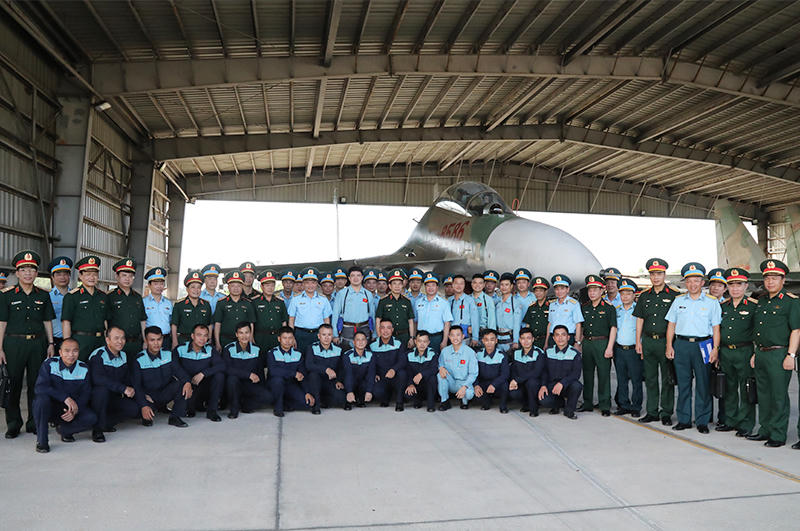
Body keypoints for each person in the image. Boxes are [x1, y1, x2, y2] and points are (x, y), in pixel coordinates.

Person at [0, 250, 56, 438]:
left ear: (36, 273)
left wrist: (50, 343)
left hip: (38, 344)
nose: (28, 273)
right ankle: (13, 423)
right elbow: (2, 323)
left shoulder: (43, 295)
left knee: (36, 384)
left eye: (31, 270)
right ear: (17, 273)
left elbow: (47, 321)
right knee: (13, 384)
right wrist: (0, 348)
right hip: (13, 344)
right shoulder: (6, 295)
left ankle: (34, 422)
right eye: (23, 269)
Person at [747, 260, 800, 448]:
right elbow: (759, 330)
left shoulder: (791, 301)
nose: (770, 281)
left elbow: (796, 330)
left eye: (775, 278)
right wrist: (756, 352)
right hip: (761, 353)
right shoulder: (761, 300)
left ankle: (778, 434)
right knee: (764, 395)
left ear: (783, 280)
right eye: (767, 278)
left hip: (779, 354)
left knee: (778, 396)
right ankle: (765, 430)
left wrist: (791, 355)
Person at [665, 263, 722, 434]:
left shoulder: (712, 302)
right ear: (685, 283)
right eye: (689, 281)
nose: (693, 284)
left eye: (696, 281)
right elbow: (671, 325)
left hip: (703, 345)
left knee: (703, 384)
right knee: (683, 384)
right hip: (681, 344)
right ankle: (684, 419)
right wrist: (669, 345)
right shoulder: (678, 301)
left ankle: (702, 421)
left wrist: (715, 349)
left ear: (702, 283)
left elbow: (716, 328)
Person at [634, 258, 679, 426]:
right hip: (648, 341)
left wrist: (670, 344)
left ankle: (666, 412)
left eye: (659, 274)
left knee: (667, 379)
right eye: (653, 274)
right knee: (650, 378)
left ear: (664, 274)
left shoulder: (674, 295)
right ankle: (652, 411)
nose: (656, 277)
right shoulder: (644, 295)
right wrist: (638, 341)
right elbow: (640, 319)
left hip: (665, 342)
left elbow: (676, 321)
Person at [32, 339, 96, 453]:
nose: (71, 355)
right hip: (51, 408)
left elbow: (86, 394)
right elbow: (40, 387)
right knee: (41, 400)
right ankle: (42, 441)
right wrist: (65, 398)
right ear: (60, 352)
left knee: (91, 418)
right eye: (67, 351)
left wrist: (75, 410)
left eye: (75, 351)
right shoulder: (50, 364)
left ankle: (65, 431)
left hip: (70, 409)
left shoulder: (83, 368)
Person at [717, 268, 756, 437]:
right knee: (729, 387)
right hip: (726, 352)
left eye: (739, 284)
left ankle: (745, 424)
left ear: (746, 286)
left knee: (746, 388)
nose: (735, 288)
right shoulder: (722, 306)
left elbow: (758, 331)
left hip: (745, 351)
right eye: (731, 285)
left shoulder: (754, 306)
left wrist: (755, 353)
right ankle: (730, 420)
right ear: (727, 287)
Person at [131, 326, 191, 428]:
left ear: (162, 339)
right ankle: (148, 413)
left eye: (159, 339)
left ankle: (175, 417)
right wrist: (143, 404)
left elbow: (180, 372)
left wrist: (188, 382)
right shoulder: (139, 360)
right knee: (139, 411)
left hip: (164, 394)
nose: (156, 343)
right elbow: (137, 385)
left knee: (183, 384)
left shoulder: (169, 355)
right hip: (149, 397)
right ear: (146, 341)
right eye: (152, 340)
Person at [88, 326, 139, 443]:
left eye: (122, 338)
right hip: (97, 398)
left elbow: (128, 379)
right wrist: (123, 388)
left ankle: (105, 423)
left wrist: (138, 393)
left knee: (133, 409)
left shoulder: (124, 355)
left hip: (114, 396)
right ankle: (97, 430)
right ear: (107, 340)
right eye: (116, 338)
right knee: (101, 390)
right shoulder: (99, 355)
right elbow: (97, 379)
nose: (120, 341)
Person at [579, 274, 617, 416]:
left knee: (603, 375)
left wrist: (609, 347)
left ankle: (604, 404)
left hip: (602, 343)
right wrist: (579, 343)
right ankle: (587, 403)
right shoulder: (585, 307)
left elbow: (613, 328)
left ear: (602, 290)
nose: (592, 293)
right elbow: (582, 327)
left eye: (595, 290)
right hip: (587, 343)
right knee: (587, 374)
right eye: (590, 290)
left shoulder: (608, 308)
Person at [175, 324, 224, 422]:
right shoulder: (180, 349)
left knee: (219, 376)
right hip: (188, 386)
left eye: (205, 335)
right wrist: (186, 381)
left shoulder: (210, 349)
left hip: (204, 386)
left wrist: (203, 373)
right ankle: (191, 406)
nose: (202, 339)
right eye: (199, 335)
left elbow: (222, 365)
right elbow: (174, 367)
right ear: (192, 336)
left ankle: (212, 411)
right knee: (189, 410)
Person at [61, 255, 107, 362]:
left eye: (95, 274)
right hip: (80, 341)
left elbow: (105, 321)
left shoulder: (103, 296)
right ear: (80, 276)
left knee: (99, 369)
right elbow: (66, 322)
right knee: (80, 369)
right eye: (88, 274)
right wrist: (67, 345)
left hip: (100, 341)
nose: (92, 277)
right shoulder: (72, 296)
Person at [222, 322, 271, 419]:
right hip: (234, 385)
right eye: (241, 333)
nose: (244, 336)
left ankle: (246, 405)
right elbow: (227, 369)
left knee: (269, 397)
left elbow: (260, 372)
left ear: (250, 333)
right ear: (236, 334)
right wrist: (248, 374)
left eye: (246, 332)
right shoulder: (229, 349)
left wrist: (262, 388)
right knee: (232, 379)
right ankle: (234, 410)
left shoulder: (256, 349)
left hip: (249, 385)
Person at [266, 326, 313, 417]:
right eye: (285, 338)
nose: (287, 341)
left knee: (307, 404)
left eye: (290, 338)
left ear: (293, 339)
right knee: (278, 380)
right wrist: (293, 373)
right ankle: (278, 408)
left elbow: (302, 375)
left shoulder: (298, 354)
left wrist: (307, 392)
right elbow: (273, 371)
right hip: (275, 385)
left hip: (290, 385)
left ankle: (284, 403)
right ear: (279, 339)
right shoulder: (272, 353)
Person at [539, 325, 583, 419]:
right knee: (543, 400)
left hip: (567, 385)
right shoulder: (548, 352)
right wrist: (543, 385)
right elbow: (544, 371)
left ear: (568, 337)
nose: (560, 338)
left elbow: (576, 374)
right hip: (552, 385)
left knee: (577, 386)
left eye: (563, 335)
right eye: (557, 335)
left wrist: (562, 383)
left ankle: (569, 410)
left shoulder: (574, 353)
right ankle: (559, 404)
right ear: (553, 338)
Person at [613, 279, 642, 417]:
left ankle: (636, 406)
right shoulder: (616, 310)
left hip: (633, 350)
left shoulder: (638, 310)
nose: (625, 297)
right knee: (621, 379)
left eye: (628, 293)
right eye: (622, 294)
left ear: (634, 295)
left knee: (636, 380)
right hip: (619, 349)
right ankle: (623, 404)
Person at [106, 258, 147, 356]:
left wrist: (145, 341)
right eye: (124, 275)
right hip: (117, 345)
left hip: (136, 344)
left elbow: (142, 321)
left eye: (130, 276)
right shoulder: (109, 297)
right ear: (117, 276)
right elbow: (105, 322)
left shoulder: (137, 297)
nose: (127, 279)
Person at [288, 268, 333, 354]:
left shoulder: (323, 299)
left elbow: (326, 319)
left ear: (317, 284)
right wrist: (291, 336)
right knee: (300, 357)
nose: (310, 285)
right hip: (300, 334)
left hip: (318, 334)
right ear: (303, 284)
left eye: (313, 282)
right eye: (307, 283)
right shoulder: (296, 299)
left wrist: (327, 335)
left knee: (318, 357)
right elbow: (291, 319)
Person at [304, 324, 346, 414]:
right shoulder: (311, 348)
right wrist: (326, 369)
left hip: (331, 381)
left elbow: (341, 368)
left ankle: (323, 399)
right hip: (315, 382)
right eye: (324, 335)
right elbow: (309, 365)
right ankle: (316, 406)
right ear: (319, 336)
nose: (326, 338)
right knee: (313, 375)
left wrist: (339, 381)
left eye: (329, 335)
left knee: (342, 399)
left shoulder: (338, 349)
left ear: (332, 336)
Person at [332, 266, 375, 350]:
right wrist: (335, 335)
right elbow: (335, 315)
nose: (356, 278)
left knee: (364, 353)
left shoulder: (368, 294)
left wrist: (374, 334)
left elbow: (372, 315)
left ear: (362, 277)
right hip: (347, 329)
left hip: (364, 329)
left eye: (358, 275)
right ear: (349, 278)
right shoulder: (342, 294)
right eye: (353, 275)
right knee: (347, 353)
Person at [706, 267, 728, 425]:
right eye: (713, 285)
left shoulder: (727, 305)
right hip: (705, 346)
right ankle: (706, 415)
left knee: (723, 383)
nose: (715, 288)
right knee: (705, 382)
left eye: (719, 285)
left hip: (723, 348)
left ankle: (723, 418)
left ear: (725, 288)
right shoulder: (703, 303)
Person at [437, 327, 478, 410]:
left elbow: (473, 374)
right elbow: (440, 364)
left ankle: (464, 401)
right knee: (440, 375)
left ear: (463, 336)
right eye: (452, 335)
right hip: (451, 382)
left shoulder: (470, 352)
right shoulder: (445, 351)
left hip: (464, 382)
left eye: (458, 335)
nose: (455, 338)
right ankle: (444, 401)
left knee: (469, 394)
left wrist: (464, 386)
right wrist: (441, 368)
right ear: (449, 336)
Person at [213, 271, 255, 352]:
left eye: (238, 286)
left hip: (243, 341)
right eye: (232, 286)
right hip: (225, 340)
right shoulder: (221, 303)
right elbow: (217, 324)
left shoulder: (248, 303)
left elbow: (251, 323)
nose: (236, 288)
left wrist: (250, 339)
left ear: (242, 286)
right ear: (228, 287)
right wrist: (217, 343)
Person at [370, 320, 406, 411]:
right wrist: (375, 373)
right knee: (377, 392)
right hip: (382, 377)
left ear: (392, 330)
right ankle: (386, 396)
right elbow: (371, 364)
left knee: (402, 373)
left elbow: (402, 361)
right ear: (379, 329)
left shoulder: (398, 343)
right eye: (383, 328)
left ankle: (399, 401)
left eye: (388, 328)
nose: (385, 331)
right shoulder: (373, 345)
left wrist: (393, 369)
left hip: (395, 376)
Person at [171, 271, 213, 348]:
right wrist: (174, 341)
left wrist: (209, 339)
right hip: (184, 340)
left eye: (198, 287)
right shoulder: (179, 305)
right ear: (187, 289)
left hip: (202, 341)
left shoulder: (206, 305)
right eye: (193, 287)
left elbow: (209, 324)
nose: (196, 290)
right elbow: (174, 325)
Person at [375, 269, 416, 349]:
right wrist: (380, 337)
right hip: (388, 337)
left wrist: (411, 338)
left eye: (399, 284)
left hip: (404, 336)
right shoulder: (383, 301)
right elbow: (378, 320)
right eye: (394, 284)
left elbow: (411, 321)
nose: (397, 286)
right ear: (390, 286)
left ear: (402, 285)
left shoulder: (407, 301)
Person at [508, 328, 545, 415]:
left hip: (535, 384)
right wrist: (513, 381)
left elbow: (536, 372)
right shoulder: (516, 353)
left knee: (531, 383)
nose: (526, 341)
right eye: (523, 338)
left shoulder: (539, 353)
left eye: (528, 338)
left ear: (533, 339)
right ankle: (526, 404)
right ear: (520, 340)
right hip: (522, 383)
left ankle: (534, 409)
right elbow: (514, 370)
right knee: (513, 393)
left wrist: (517, 380)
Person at [414, 272, 452, 352]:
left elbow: (447, 324)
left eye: (433, 285)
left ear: (437, 287)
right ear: (424, 287)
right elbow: (415, 322)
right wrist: (414, 338)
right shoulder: (418, 302)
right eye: (428, 285)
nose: (430, 288)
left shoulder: (444, 303)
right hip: (421, 338)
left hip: (437, 338)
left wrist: (444, 341)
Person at [252, 270, 288, 354]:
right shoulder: (254, 302)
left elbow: (284, 322)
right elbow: (251, 322)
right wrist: (251, 337)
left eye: (272, 285)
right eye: (267, 285)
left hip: (276, 338)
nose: (270, 288)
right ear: (262, 286)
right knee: (260, 360)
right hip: (260, 338)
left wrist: (284, 337)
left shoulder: (280, 302)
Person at [474, 329, 509, 413]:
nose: (489, 343)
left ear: (496, 341)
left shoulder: (502, 355)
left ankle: (503, 406)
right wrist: (476, 385)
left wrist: (494, 384)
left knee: (505, 385)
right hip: (484, 383)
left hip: (497, 384)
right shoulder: (478, 354)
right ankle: (487, 401)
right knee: (476, 397)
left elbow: (505, 374)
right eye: (486, 340)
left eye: (492, 340)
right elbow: (473, 372)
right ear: (483, 341)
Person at [402, 330, 439, 412]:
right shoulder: (409, 354)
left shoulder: (433, 353)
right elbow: (407, 371)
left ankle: (430, 404)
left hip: (428, 385)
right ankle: (417, 400)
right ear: (415, 341)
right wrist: (410, 384)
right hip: (415, 384)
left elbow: (435, 368)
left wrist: (421, 374)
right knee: (407, 394)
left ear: (428, 342)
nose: (422, 344)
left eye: (425, 342)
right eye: (419, 341)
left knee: (433, 378)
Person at [342, 331, 377, 410]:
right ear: (353, 342)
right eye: (358, 340)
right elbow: (348, 374)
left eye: (363, 339)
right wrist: (349, 391)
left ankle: (360, 399)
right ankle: (348, 399)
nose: (361, 342)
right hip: (351, 381)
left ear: (366, 342)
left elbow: (371, 373)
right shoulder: (347, 355)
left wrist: (369, 391)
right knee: (340, 396)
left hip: (362, 382)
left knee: (378, 391)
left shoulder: (371, 355)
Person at [546, 274, 583, 347]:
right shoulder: (552, 304)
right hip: (553, 338)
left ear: (567, 289)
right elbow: (550, 324)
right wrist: (546, 342)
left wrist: (577, 342)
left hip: (568, 338)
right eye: (557, 289)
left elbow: (578, 324)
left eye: (562, 289)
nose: (559, 291)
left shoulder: (574, 304)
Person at [143, 267, 173, 350]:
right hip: (150, 340)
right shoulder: (143, 302)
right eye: (156, 284)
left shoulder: (168, 303)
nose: (159, 286)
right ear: (149, 285)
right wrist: (145, 341)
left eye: (161, 284)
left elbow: (171, 322)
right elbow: (142, 323)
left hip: (166, 339)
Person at [48, 256, 73, 352]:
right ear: (52, 277)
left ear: (69, 276)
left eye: (65, 274)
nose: (62, 277)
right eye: (58, 274)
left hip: (73, 340)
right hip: (54, 341)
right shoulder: (48, 297)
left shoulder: (75, 296)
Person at [449, 275, 480, 348]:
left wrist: (475, 337)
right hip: (452, 335)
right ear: (452, 285)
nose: (459, 286)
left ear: (464, 285)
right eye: (456, 283)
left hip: (465, 335)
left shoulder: (470, 300)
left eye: (461, 283)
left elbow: (475, 319)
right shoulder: (449, 300)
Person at [494, 273, 521, 354]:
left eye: (506, 285)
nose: (504, 287)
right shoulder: (498, 302)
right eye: (502, 285)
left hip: (510, 340)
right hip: (498, 339)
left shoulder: (515, 303)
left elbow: (517, 324)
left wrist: (515, 341)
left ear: (511, 286)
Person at [521, 277, 550, 350]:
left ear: (546, 292)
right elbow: (528, 325)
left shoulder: (551, 306)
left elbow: (550, 326)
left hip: (545, 340)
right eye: (536, 291)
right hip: (532, 341)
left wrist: (547, 343)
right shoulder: (531, 307)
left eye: (541, 291)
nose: (538, 293)